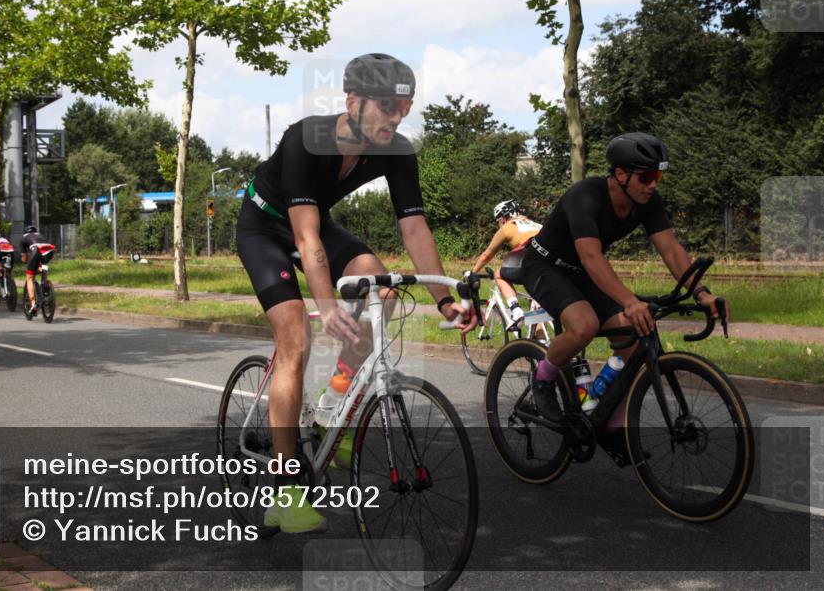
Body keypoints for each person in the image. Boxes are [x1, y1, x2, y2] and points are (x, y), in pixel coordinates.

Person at [237, 53, 476, 533]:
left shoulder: (397, 150)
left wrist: (443, 298)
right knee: (296, 343)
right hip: (266, 227)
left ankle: (334, 402)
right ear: (353, 101)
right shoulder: (308, 139)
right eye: (387, 105)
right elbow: (306, 240)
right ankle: (285, 492)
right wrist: (325, 306)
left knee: (381, 293)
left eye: (404, 107)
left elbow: (414, 229)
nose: (397, 115)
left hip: (315, 226)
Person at [521, 133, 727, 431]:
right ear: (620, 174)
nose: (653, 184)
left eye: (657, 175)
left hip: (581, 271)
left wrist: (701, 292)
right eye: (646, 177)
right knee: (585, 325)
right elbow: (591, 257)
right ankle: (543, 376)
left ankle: (611, 424)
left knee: (632, 341)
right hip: (545, 266)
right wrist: (630, 301)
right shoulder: (585, 196)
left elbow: (670, 249)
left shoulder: (648, 202)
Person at [469, 200, 542, 324]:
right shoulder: (538, 225)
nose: (499, 225)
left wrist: (472, 273)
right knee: (537, 304)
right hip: (551, 266)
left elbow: (487, 255)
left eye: (498, 222)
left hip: (531, 262)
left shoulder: (507, 227)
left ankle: (515, 310)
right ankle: (541, 340)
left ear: (502, 219)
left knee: (499, 275)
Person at [19, 225, 56, 317]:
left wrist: (29, 263)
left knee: (30, 278)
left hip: (36, 250)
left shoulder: (23, 238)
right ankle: (44, 283)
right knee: (44, 265)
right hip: (50, 249)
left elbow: (24, 259)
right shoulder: (40, 234)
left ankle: (33, 304)